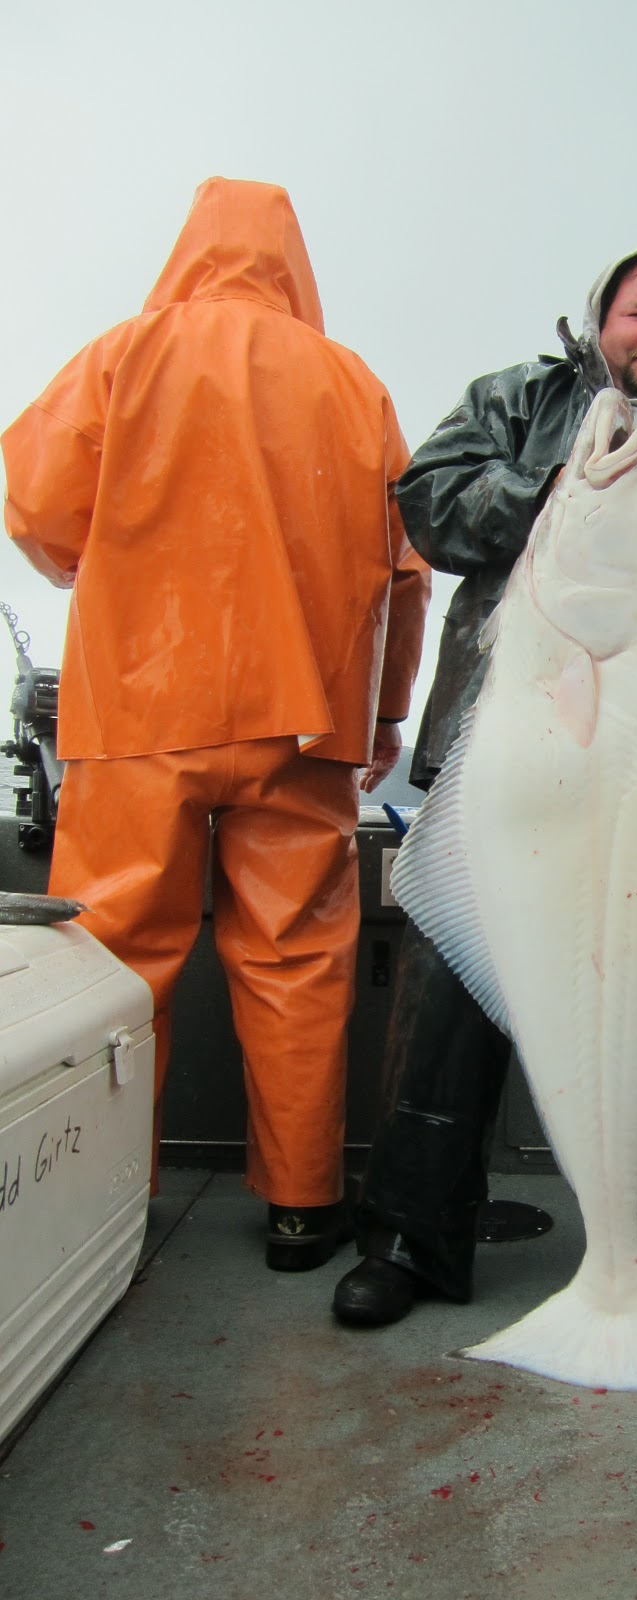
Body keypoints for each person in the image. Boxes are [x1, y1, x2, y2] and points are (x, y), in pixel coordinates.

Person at [333, 244, 637, 1329]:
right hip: (505, 749)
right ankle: (412, 1239)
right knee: (449, 1010)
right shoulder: (521, 402)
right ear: (601, 318)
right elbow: (431, 507)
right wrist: (555, 485)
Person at [1, 177, 431, 1271]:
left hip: (140, 712)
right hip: (305, 725)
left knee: (114, 961)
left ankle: (101, 1205)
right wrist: (385, 710)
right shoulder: (354, 384)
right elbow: (405, 568)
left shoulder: (124, 354)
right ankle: (304, 1207)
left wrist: (90, 563)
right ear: (294, 265)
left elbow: (38, 506)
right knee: (298, 961)